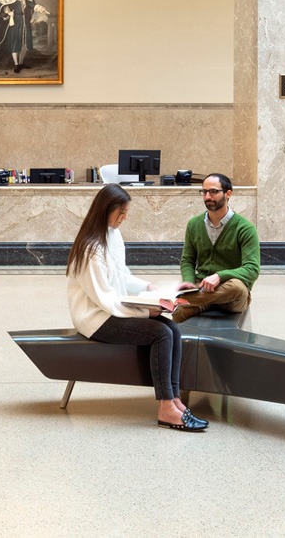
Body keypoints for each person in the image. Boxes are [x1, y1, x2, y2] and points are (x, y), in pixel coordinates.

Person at [65, 184, 206, 432]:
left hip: (112, 309)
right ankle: (165, 408)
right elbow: (105, 299)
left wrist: (151, 289)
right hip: (95, 318)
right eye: (121, 212)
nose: (125, 217)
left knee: (172, 328)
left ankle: (174, 400)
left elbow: (121, 276)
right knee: (160, 333)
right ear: (105, 210)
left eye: (126, 211)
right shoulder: (91, 249)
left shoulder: (112, 234)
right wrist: (144, 311)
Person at [173, 173, 262, 322]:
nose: (208, 196)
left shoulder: (245, 228)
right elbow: (188, 260)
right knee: (178, 315)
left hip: (232, 296)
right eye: (204, 192)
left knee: (237, 287)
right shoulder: (194, 224)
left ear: (228, 194)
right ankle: (199, 300)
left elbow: (252, 269)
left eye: (213, 191)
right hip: (202, 288)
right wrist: (188, 282)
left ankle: (189, 299)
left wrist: (220, 276)